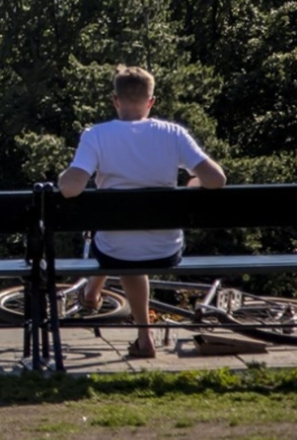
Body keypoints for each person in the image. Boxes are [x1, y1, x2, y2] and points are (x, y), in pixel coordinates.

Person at [58, 65, 226, 359]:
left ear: (115, 100)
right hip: (166, 248)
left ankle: (136, 330)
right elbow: (216, 180)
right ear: (151, 101)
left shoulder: (96, 136)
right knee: (126, 245)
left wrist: (63, 177)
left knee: (116, 245)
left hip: (114, 248)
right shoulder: (173, 134)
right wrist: (192, 185)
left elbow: (71, 188)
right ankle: (103, 302)